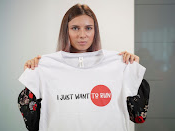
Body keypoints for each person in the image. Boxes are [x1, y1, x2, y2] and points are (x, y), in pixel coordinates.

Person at [18, 3, 149, 131]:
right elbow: (33, 124)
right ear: (66, 31)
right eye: (75, 28)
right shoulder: (45, 66)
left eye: (88, 28)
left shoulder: (119, 64)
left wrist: (133, 72)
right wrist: (32, 79)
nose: (82, 35)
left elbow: (138, 117)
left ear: (95, 31)